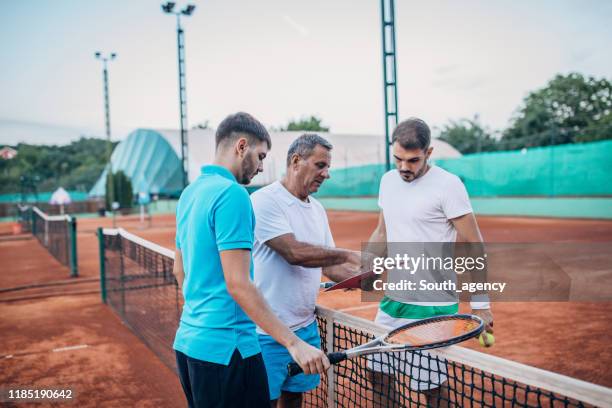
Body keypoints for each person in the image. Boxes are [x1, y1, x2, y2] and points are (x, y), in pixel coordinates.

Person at [172, 114, 329, 408]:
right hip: (229, 350)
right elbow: (238, 284)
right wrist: (294, 344)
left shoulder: (190, 193)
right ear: (241, 146)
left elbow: (179, 270)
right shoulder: (233, 195)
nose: (260, 167)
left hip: (188, 344)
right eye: (260, 156)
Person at [365, 118, 494, 407]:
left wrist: (481, 305)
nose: (403, 167)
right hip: (393, 301)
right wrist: (366, 266)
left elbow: (475, 243)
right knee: (377, 374)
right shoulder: (388, 181)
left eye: (413, 160)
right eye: (398, 158)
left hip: (433, 305)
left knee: (430, 387)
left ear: (429, 152)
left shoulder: (448, 186)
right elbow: (382, 231)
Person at [251, 134, 361, 408]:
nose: (327, 174)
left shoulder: (318, 209)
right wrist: (351, 254)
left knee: (294, 397)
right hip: (266, 333)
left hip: (305, 328)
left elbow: (329, 264)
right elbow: (294, 252)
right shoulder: (265, 201)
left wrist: (372, 280)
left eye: (327, 167)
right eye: (320, 165)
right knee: (262, 401)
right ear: (296, 161)